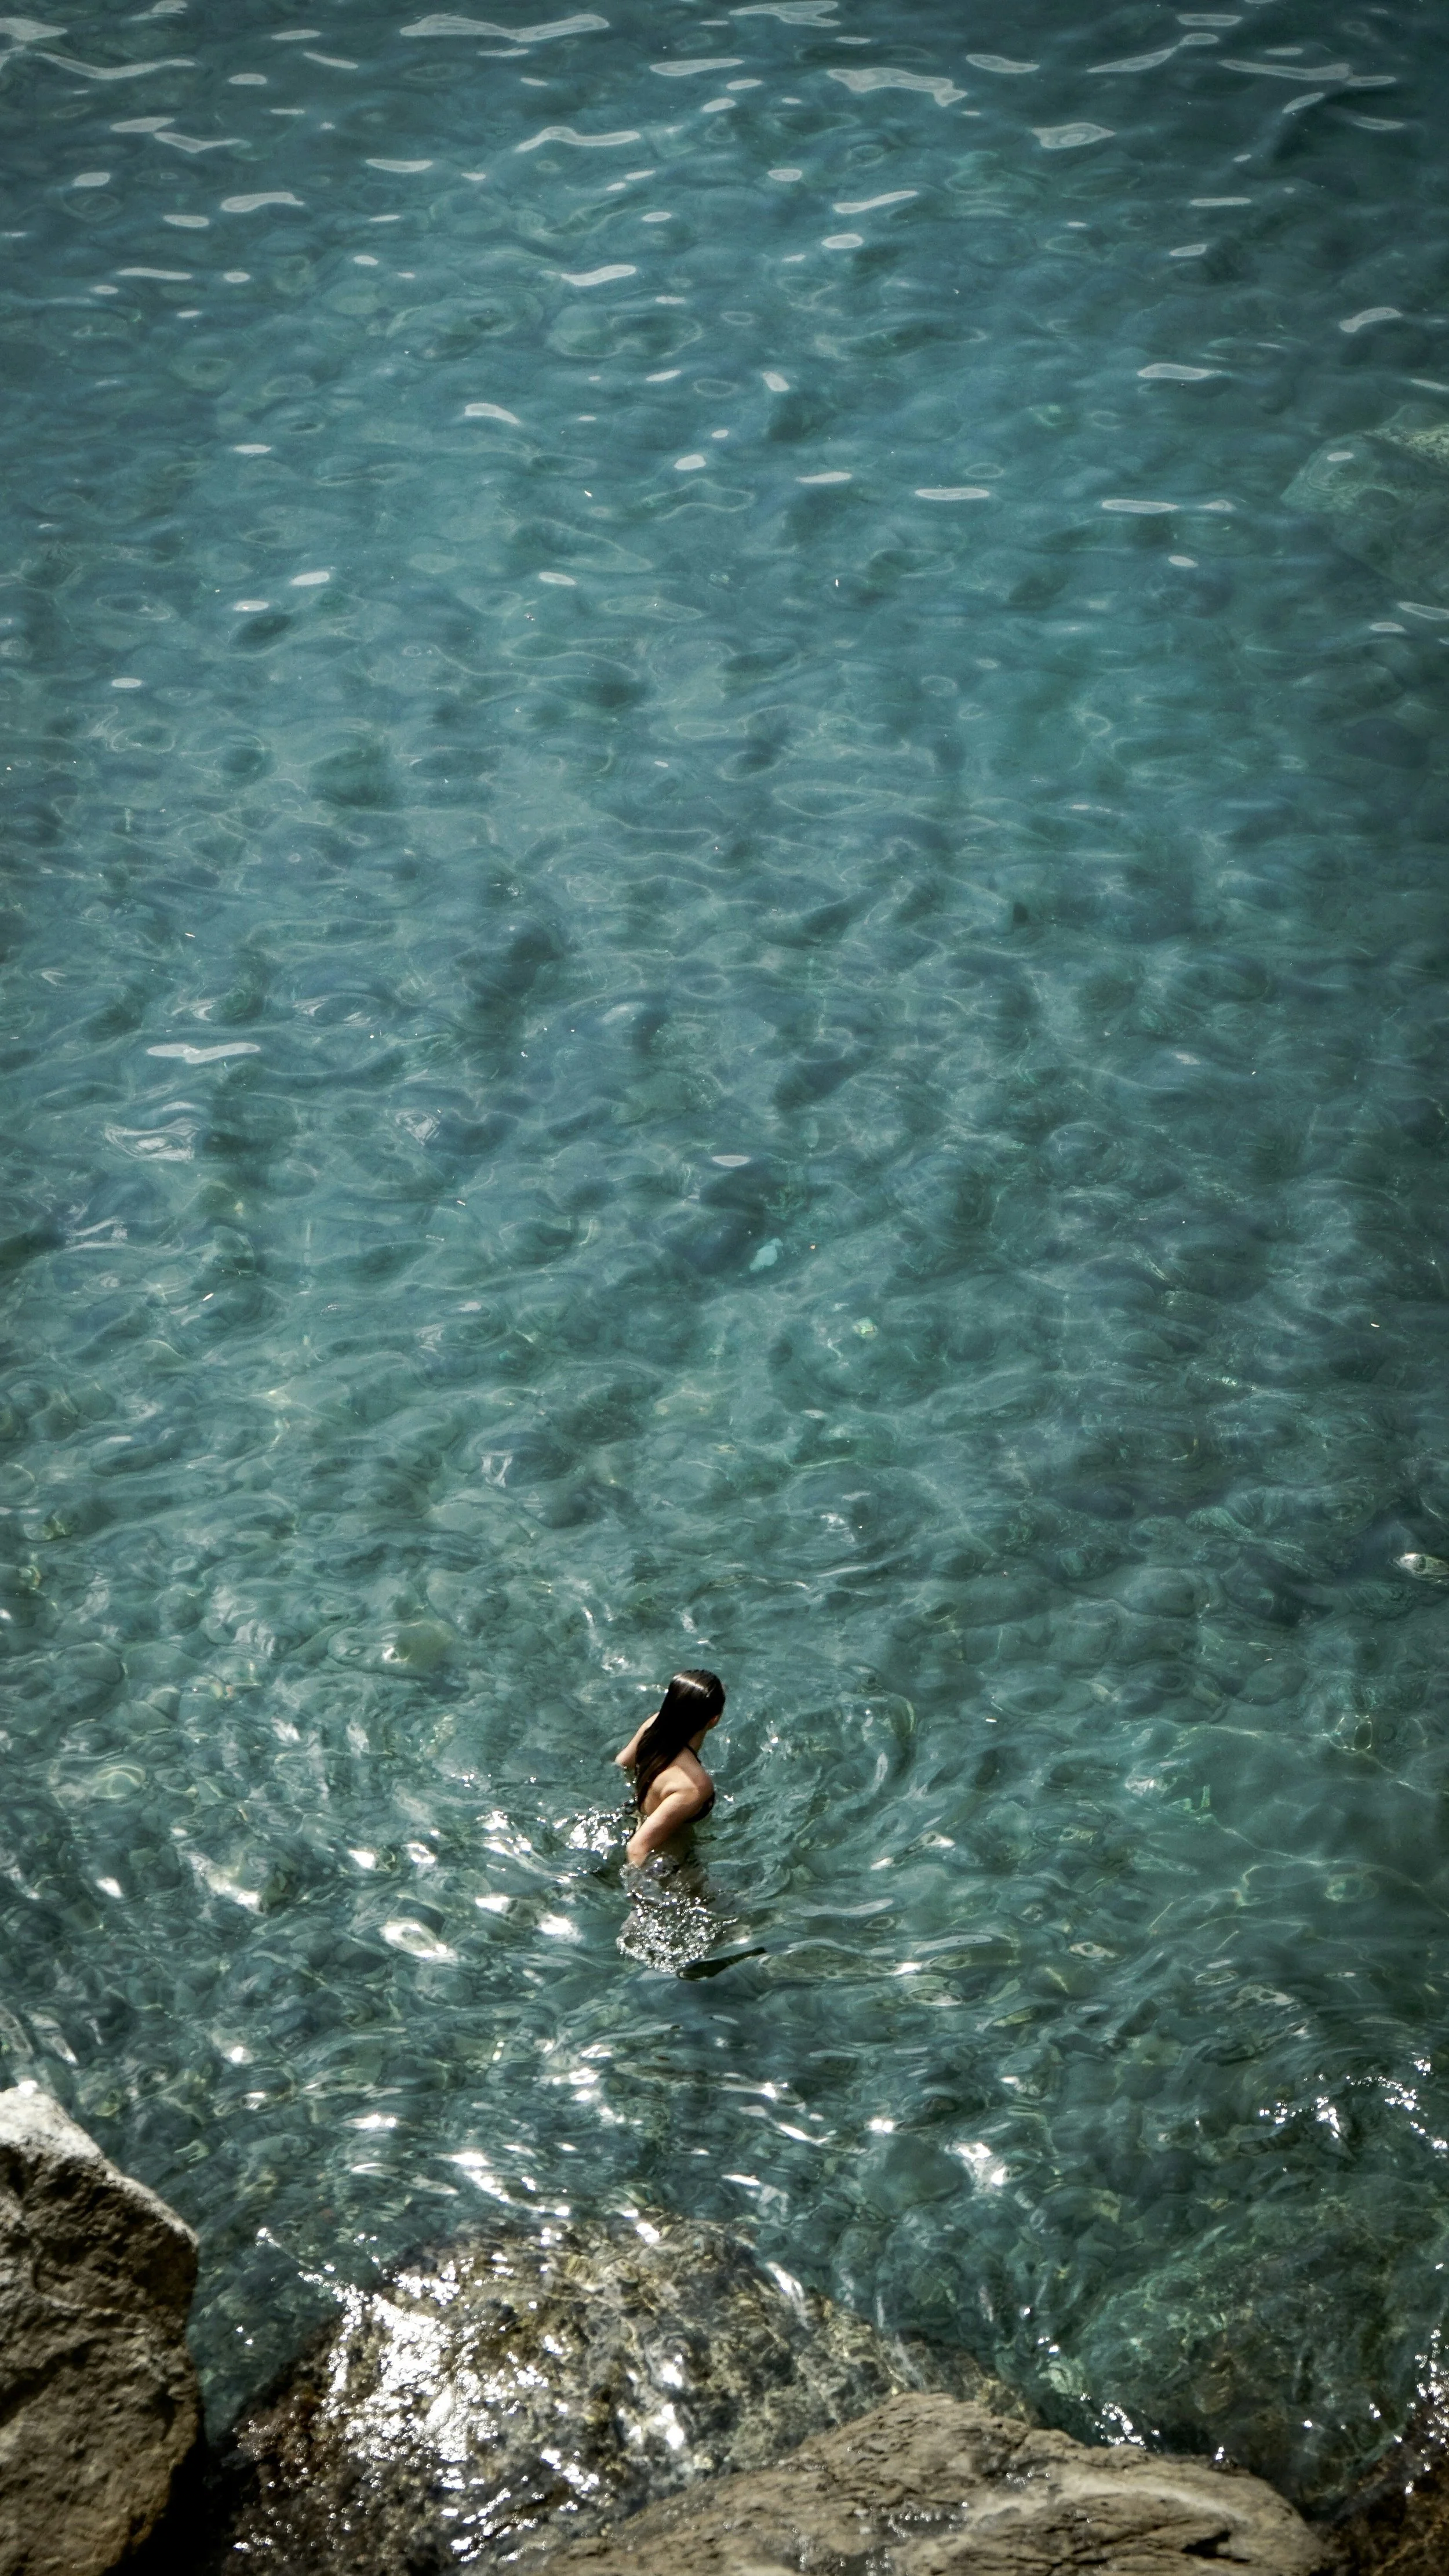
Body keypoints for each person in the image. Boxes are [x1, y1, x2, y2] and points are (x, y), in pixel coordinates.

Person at [614, 1669, 725, 1868]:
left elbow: (623, 1764)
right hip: (670, 1864)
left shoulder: (654, 1727)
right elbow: (637, 1848)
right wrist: (643, 1896)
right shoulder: (695, 1785)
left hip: (635, 1818)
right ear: (714, 1719)